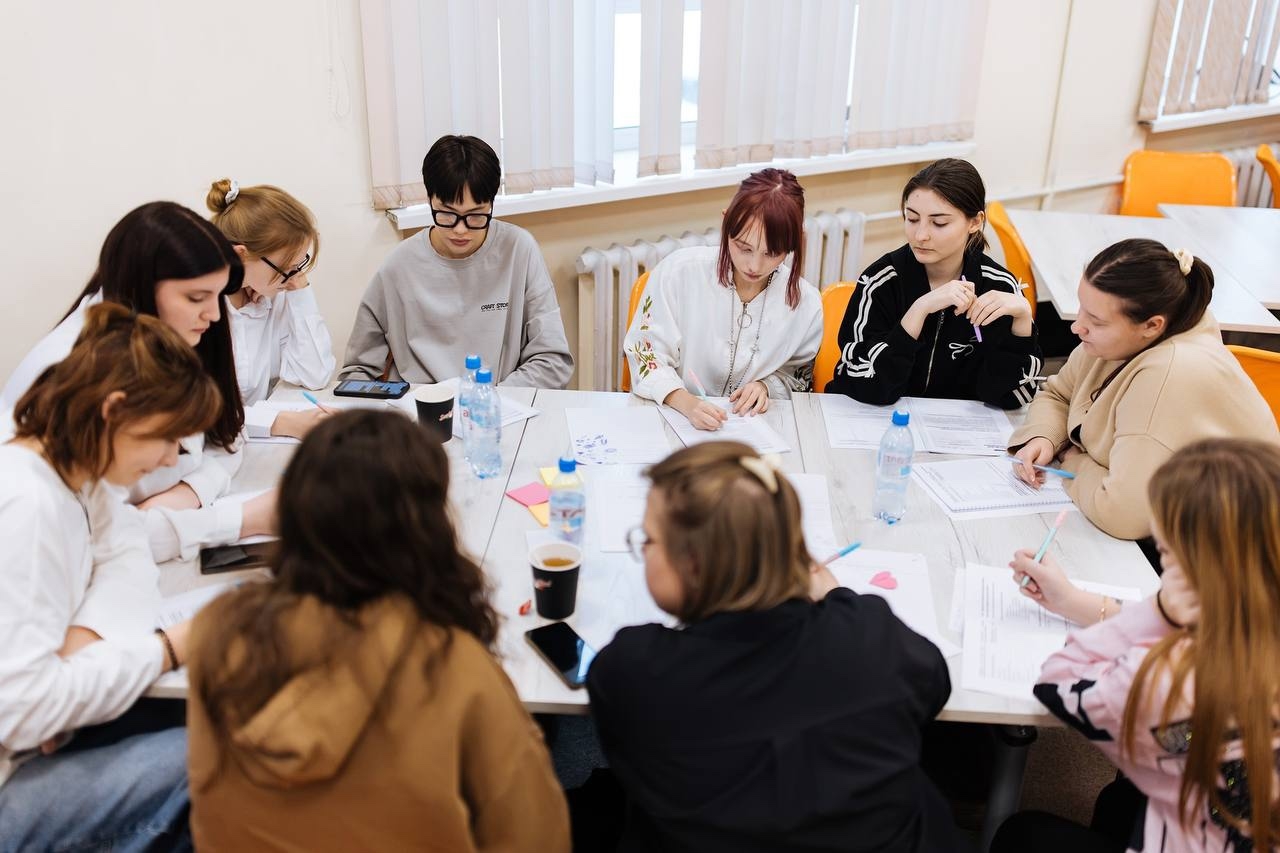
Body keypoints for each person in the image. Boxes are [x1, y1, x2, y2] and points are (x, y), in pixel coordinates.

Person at [186, 409, 569, 851]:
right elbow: (537, 838)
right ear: (426, 530)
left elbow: (208, 799)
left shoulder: (219, 631)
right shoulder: (454, 670)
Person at [586, 442, 957, 852]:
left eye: (648, 539)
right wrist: (837, 597)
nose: (643, 548)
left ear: (692, 563)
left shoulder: (636, 670)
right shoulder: (867, 635)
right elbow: (934, 686)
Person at [993, 438, 1280, 852]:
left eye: (1165, 554)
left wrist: (1161, 608)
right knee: (1121, 800)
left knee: (1022, 835)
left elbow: (1057, 683)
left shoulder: (1166, 680)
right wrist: (1074, 601)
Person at [0, 304, 211, 851]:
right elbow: (22, 713)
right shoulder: (29, 504)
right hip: (10, 775)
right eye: (168, 438)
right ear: (115, 410)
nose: (171, 460)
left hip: (27, 740)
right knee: (213, 756)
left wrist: (78, 646)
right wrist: (171, 647)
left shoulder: (78, 473)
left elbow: (129, 553)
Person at [0, 201, 276, 562]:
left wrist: (189, 491)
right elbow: (96, 541)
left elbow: (227, 434)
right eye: (197, 298)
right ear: (143, 286)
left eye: (218, 296)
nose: (213, 314)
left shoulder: (174, 335)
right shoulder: (79, 370)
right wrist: (239, 518)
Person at [1008, 239, 1278, 542]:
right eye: (1081, 308)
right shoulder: (1120, 339)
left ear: (1152, 326)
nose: (1077, 327)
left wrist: (1075, 461)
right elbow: (1059, 393)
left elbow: (1122, 515)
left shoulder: (1169, 374)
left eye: (1096, 321)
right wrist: (1044, 436)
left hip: (1226, 548)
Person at [341, 134, 573, 388]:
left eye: (475, 215)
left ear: (491, 204)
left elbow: (552, 360)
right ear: (429, 199)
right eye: (447, 213)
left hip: (498, 403)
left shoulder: (519, 250)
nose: (460, 230)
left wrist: (488, 400)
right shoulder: (399, 266)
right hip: (421, 407)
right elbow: (357, 373)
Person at [826, 158, 1042, 408]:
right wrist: (918, 311)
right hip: (877, 422)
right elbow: (860, 383)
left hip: (959, 428)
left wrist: (1023, 320)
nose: (920, 235)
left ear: (975, 222)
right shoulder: (881, 281)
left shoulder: (998, 287)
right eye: (912, 219)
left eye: (939, 223)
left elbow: (1012, 398)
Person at [622, 169, 823, 430]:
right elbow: (646, 354)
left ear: (795, 243)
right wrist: (686, 402)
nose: (754, 265)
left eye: (772, 253)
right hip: (673, 419)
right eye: (744, 248)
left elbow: (796, 375)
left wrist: (766, 386)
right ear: (726, 222)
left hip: (752, 429)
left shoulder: (806, 304)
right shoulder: (679, 273)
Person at [206, 178, 335, 440]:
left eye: (300, 264)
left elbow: (315, 375)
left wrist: (299, 285)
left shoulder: (273, 294)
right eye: (287, 267)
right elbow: (197, 414)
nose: (293, 274)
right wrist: (280, 422)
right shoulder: (200, 309)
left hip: (255, 447)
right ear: (241, 255)